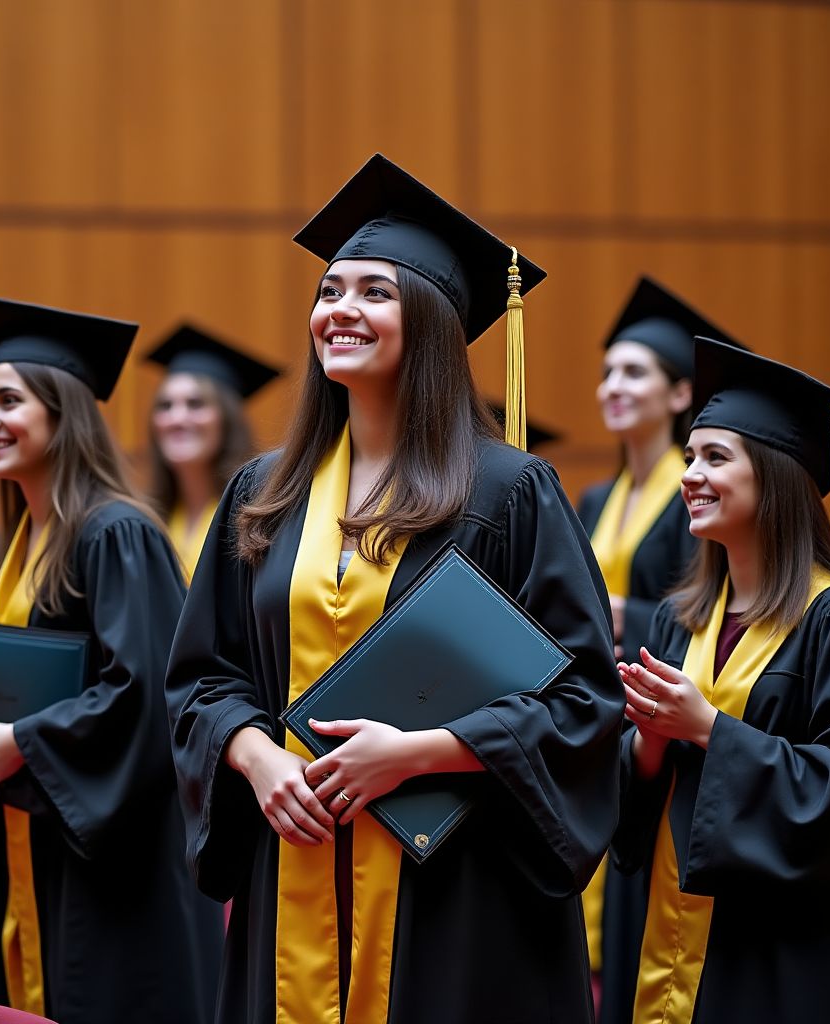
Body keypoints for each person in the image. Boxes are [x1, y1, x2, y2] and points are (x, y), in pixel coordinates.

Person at [166, 154, 623, 1023]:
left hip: (456, 885)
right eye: (329, 290)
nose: (340, 309)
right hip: (294, 861)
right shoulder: (267, 493)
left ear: (434, 322)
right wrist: (256, 758)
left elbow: (585, 704)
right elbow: (200, 680)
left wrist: (425, 750)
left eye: (375, 291)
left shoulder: (508, 493)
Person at [0, 298, 222, 1024]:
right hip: (39, 835)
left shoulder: (115, 534)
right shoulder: (13, 548)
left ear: (62, 413)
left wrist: (22, 744)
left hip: (114, 861)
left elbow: (147, 693)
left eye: (7, 401)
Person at [615, 337, 830, 1023]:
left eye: (715, 457)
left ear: (775, 475)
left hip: (772, 950)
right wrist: (649, 742)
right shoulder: (680, 623)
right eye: (688, 458)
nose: (691, 476)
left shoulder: (826, 616)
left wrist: (707, 728)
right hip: (665, 933)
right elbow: (635, 798)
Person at [576, 278, 740, 1023]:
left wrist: (623, 615)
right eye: (607, 370)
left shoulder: (696, 500)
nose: (613, 386)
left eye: (634, 372)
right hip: (607, 729)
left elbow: (707, 604)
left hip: (669, 713)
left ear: (681, 394)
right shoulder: (594, 500)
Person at [145, 324, 279, 582]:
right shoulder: (151, 518)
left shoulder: (258, 518)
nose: (177, 418)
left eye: (196, 404)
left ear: (226, 421)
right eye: (165, 406)